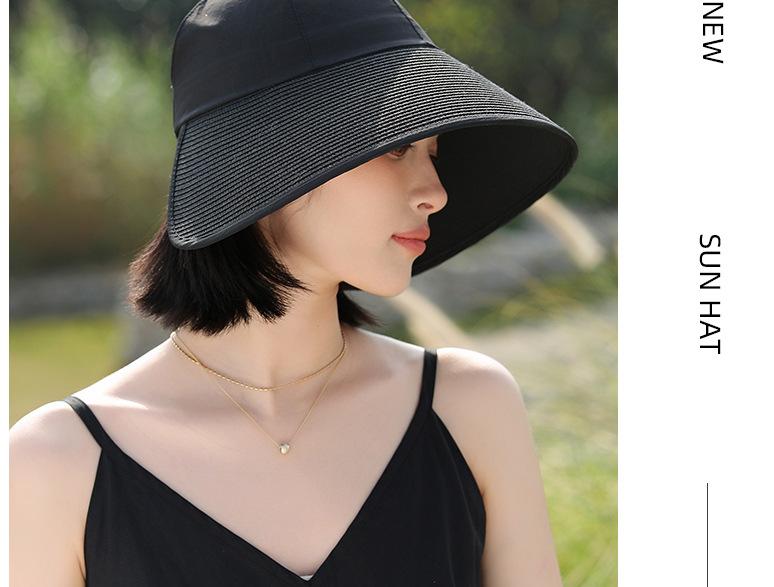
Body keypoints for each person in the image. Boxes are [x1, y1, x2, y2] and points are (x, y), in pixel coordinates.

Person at [10, 1, 578, 585]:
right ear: (273, 159)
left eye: (432, 152)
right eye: (397, 147)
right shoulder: (60, 463)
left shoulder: (467, 408)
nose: (436, 192)